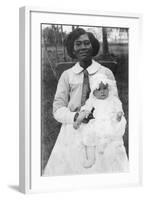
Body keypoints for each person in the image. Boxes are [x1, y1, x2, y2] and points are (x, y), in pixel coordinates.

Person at [43, 28, 124, 176]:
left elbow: (114, 102)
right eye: (78, 44)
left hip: (101, 128)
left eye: (87, 43)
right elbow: (57, 109)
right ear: (72, 49)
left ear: (93, 46)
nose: (83, 47)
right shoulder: (67, 75)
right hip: (74, 128)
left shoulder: (105, 73)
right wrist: (75, 117)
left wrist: (115, 122)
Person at [73, 73, 128, 171]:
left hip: (109, 121)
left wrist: (119, 114)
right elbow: (85, 110)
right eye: (98, 89)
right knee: (89, 135)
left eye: (105, 88)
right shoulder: (92, 100)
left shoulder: (113, 99)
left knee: (110, 137)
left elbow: (118, 107)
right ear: (93, 92)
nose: (102, 92)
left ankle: (104, 148)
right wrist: (78, 120)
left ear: (109, 88)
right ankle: (91, 158)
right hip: (97, 122)